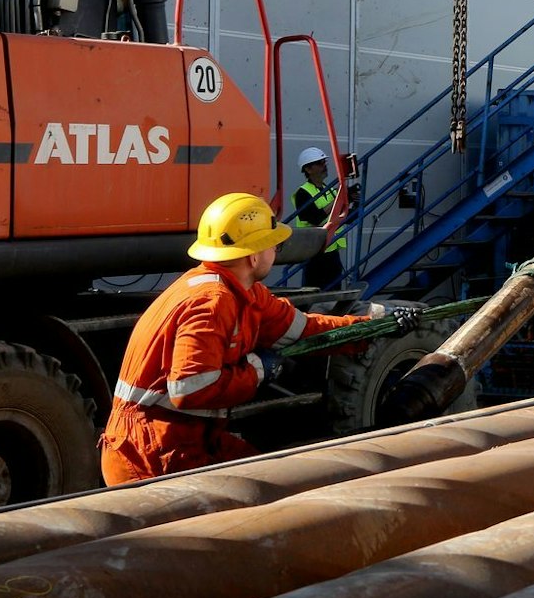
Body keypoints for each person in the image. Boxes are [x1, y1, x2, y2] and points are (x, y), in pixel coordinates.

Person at [97, 192, 407, 485]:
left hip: (179, 438)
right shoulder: (212, 301)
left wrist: (375, 326)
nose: (276, 252)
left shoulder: (242, 292)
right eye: (274, 245)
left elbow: (305, 328)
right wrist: (259, 370)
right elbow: (190, 388)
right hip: (148, 454)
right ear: (254, 255)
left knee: (270, 486)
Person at [287, 145, 350, 288]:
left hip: (331, 248)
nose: (324, 166)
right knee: (315, 291)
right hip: (315, 250)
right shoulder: (303, 193)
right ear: (308, 169)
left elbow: (340, 216)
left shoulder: (329, 190)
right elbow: (313, 218)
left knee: (333, 292)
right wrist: (338, 201)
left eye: (324, 162)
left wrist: (349, 202)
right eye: (319, 163)